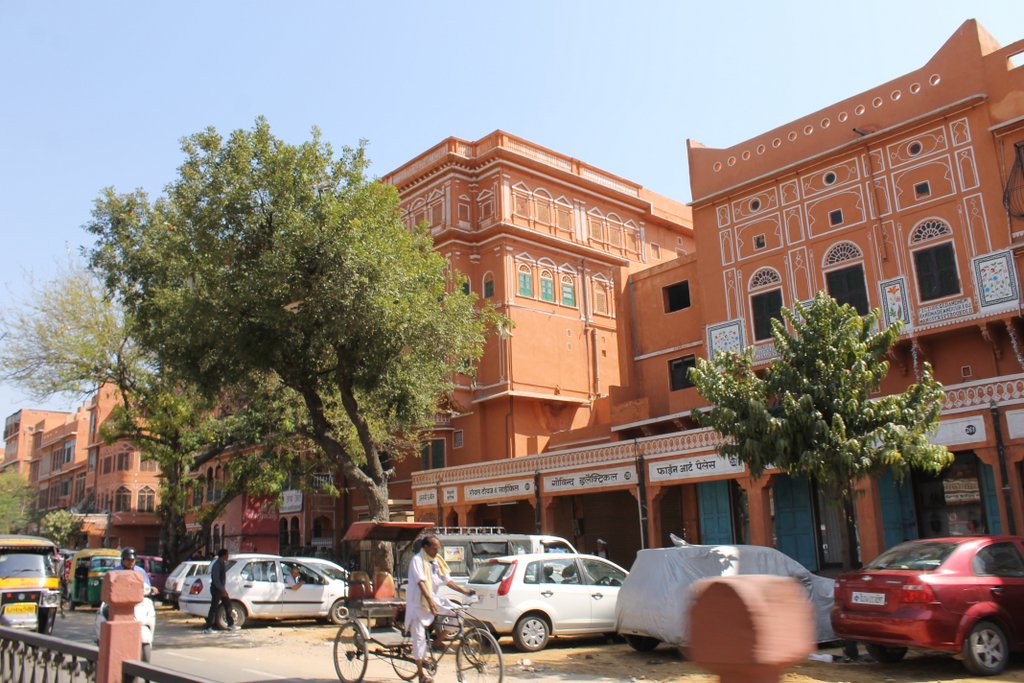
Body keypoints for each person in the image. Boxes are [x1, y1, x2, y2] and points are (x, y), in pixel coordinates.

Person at [405, 534, 476, 683]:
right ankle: (421, 675)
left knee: (459, 612)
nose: (437, 551)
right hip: (418, 603)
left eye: (438, 549)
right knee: (419, 639)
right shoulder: (417, 560)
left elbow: (447, 580)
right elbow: (421, 583)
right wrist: (430, 601)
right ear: (426, 547)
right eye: (434, 549)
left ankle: (437, 642)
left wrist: (464, 591)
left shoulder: (437, 561)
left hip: (433, 599)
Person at [203, 549, 239, 633]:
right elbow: (216, 580)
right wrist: (222, 590)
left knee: (228, 605)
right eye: (227, 554)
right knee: (214, 608)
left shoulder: (222, 563)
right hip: (217, 589)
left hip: (220, 588)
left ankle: (230, 624)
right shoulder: (217, 565)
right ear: (223, 555)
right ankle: (208, 627)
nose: (228, 556)